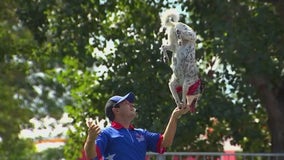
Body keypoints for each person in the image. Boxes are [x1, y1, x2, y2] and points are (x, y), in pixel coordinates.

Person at [84, 92, 190, 160]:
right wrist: (91, 139)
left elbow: (165, 142)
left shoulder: (141, 133)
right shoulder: (106, 133)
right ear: (116, 110)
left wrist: (174, 116)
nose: (132, 105)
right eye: (126, 103)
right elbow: (91, 156)